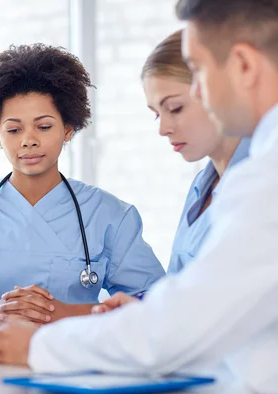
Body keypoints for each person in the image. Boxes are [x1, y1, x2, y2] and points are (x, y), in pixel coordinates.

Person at [0, 0, 278, 394]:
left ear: (243, 65)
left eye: (198, 73)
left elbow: (182, 325)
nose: (198, 89)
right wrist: (148, 316)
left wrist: (38, 346)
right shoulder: (233, 177)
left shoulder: (266, 178)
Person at [0, 43, 165, 327]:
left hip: (77, 359)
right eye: (13, 129)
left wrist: (61, 313)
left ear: (68, 128)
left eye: (44, 127)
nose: (28, 140)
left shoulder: (109, 215)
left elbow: (157, 305)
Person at [92, 29, 250, 314]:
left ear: (214, 88)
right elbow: (189, 296)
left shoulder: (259, 181)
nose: (163, 128)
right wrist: (142, 309)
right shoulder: (203, 188)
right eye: (156, 113)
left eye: (175, 108)